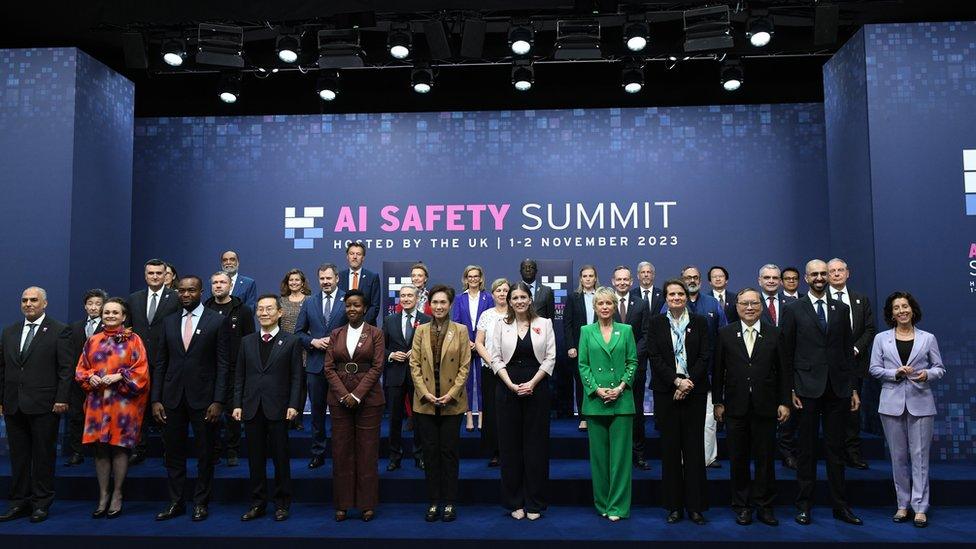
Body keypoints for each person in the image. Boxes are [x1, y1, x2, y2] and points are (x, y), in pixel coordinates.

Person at [780, 259, 862, 526]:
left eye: (823, 273)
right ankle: (804, 505)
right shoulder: (793, 309)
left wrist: (851, 388)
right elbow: (786, 352)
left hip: (838, 389)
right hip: (805, 388)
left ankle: (841, 506)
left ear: (829, 276)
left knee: (835, 450)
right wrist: (789, 388)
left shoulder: (841, 309)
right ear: (806, 278)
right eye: (814, 274)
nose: (819, 277)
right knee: (806, 450)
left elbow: (847, 352)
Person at [152, 276, 231, 522]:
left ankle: (200, 502)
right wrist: (156, 399)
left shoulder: (217, 321)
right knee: (173, 453)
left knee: (205, 454)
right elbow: (161, 363)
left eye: (191, 290)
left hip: (205, 400)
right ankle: (176, 502)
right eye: (182, 290)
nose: (186, 294)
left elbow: (223, 364)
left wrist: (219, 400)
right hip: (172, 398)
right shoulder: (168, 321)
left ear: (200, 292)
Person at [713, 288, 792, 527]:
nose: (749, 308)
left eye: (754, 304)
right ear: (736, 307)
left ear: (761, 306)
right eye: (744, 303)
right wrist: (718, 401)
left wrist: (784, 401)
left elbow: (784, 371)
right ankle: (742, 506)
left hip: (766, 407)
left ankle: (765, 506)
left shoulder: (775, 333)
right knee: (738, 460)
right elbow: (718, 371)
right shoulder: (725, 333)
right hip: (735, 407)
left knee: (765, 459)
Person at [869, 291, 944, 528]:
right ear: (891, 313)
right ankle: (902, 505)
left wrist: (926, 375)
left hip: (921, 403)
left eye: (905, 306)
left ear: (912, 309)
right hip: (891, 404)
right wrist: (894, 373)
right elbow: (874, 369)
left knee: (920, 458)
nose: (901, 311)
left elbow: (939, 368)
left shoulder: (928, 338)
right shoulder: (881, 338)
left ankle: (920, 507)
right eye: (896, 308)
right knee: (898, 458)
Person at [0, 287, 72, 523]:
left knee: (43, 456)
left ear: (45, 303)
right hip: (13, 405)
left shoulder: (59, 330)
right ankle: (19, 502)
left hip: (45, 405)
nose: (28, 304)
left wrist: (62, 398)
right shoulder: (9, 332)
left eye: (33, 300)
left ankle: (41, 503)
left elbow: (65, 369)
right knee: (19, 458)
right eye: (24, 300)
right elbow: (2, 369)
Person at [75, 297, 150, 519]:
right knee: (99, 448)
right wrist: (92, 378)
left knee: (119, 447)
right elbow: (81, 369)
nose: (110, 316)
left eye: (115, 313)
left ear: (123, 316)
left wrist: (119, 376)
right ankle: (103, 495)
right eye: (106, 312)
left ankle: (117, 494)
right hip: (98, 402)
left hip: (123, 403)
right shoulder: (93, 340)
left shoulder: (133, 340)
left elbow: (142, 371)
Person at [233, 294, 304, 522]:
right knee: (255, 459)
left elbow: (296, 377)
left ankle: (282, 504)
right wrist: (237, 404)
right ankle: (258, 503)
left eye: (269, 309)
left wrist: (294, 404)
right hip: (252, 408)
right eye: (260, 309)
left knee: (281, 458)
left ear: (279, 313)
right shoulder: (247, 341)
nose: (264, 313)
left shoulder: (291, 341)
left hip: (279, 408)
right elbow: (239, 376)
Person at [490, 281, 556, 520]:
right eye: (514, 298)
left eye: (523, 297)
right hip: (507, 387)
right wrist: (510, 384)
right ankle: (514, 502)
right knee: (510, 448)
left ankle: (535, 502)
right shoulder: (500, 325)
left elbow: (550, 359)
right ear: (509, 301)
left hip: (536, 387)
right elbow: (495, 358)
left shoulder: (545, 324)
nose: (519, 301)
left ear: (530, 300)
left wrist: (532, 384)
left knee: (536, 447)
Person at [647, 279, 711, 525]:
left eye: (680, 294)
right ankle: (673, 507)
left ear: (686, 297)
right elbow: (655, 357)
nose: (676, 297)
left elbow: (705, 355)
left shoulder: (700, 322)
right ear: (665, 298)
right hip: (666, 393)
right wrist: (676, 382)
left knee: (694, 451)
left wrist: (687, 382)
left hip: (694, 392)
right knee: (670, 451)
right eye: (671, 294)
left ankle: (696, 507)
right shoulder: (656, 323)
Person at [409, 284, 471, 522]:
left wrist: (452, 393)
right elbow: (414, 364)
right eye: (435, 302)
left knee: (449, 453)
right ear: (429, 304)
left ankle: (450, 502)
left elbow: (465, 366)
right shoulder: (421, 330)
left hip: (451, 402)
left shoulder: (461, 330)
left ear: (450, 304)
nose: (438, 306)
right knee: (430, 454)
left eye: (443, 302)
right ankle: (434, 501)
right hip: (425, 402)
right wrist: (424, 392)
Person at [324, 290, 386, 522]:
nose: (352, 309)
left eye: (357, 305)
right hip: (340, 401)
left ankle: (366, 504)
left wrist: (357, 395)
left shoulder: (376, 334)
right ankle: (342, 504)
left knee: (367, 453)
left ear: (365, 308)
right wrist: (343, 394)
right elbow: (329, 368)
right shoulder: (336, 333)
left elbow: (377, 367)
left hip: (368, 401)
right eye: (348, 305)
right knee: (341, 453)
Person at [577, 287, 638, 521]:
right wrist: (596, 389)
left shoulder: (626, 330)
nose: (604, 307)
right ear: (594, 307)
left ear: (614, 306)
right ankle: (602, 503)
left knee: (621, 460)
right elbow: (583, 365)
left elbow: (632, 361)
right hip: (596, 401)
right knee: (599, 459)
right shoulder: (586, 331)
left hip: (621, 401)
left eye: (608, 303)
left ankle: (618, 507)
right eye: (600, 303)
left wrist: (621, 387)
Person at [126, 258, 181, 465]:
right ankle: (139, 449)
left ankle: (170, 451)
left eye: (159, 273)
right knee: (139, 408)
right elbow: (128, 331)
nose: (155, 276)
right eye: (151, 273)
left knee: (165, 408)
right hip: (138, 363)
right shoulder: (134, 299)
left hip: (166, 361)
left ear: (166, 275)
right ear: (145, 275)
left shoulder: (175, 298)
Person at [294, 263, 347, 469]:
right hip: (316, 366)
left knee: (341, 413)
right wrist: (313, 342)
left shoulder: (347, 300)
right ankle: (318, 452)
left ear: (337, 279)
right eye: (322, 279)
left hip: (342, 367)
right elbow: (298, 333)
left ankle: (340, 453)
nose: (325, 282)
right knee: (317, 413)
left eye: (329, 278)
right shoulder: (309, 302)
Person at [826, 258, 876, 470]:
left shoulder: (860, 299)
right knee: (830, 412)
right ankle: (833, 454)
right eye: (832, 271)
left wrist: (855, 349)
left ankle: (852, 454)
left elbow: (869, 329)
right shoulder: (818, 300)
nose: (836, 274)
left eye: (840, 270)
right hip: (827, 365)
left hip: (854, 364)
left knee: (852, 412)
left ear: (848, 273)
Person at [205, 271, 256, 467]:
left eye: (222, 282)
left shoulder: (242, 310)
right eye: (215, 282)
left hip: (235, 368)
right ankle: (215, 450)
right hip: (211, 369)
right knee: (211, 413)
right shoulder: (205, 308)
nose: (218, 285)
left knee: (232, 413)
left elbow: (249, 339)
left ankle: (232, 449)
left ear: (229, 286)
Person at [680, 265, 727, 470]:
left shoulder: (712, 303)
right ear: (683, 279)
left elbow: (723, 334)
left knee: (709, 420)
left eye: (695, 277)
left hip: (708, 372)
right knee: (683, 420)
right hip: (680, 374)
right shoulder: (672, 302)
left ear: (700, 280)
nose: (692, 280)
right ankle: (684, 457)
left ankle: (709, 458)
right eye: (688, 277)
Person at [382, 284, 429, 471]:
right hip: (395, 375)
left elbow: (431, 347)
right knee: (394, 419)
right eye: (403, 296)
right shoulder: (389, 320)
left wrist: (417, 352)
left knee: (419, 418)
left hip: (418, 376)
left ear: (417, 299)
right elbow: (381, 348)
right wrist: (391, 355)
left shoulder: (426, 320)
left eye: (410, 295)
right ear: (399, 299)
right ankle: (394, 456)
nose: (407, 298)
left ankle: (420, 456)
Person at [611, 266, 650, 470]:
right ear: (613, 281)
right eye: (619, 280)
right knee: (615, 412)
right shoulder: (606, 302)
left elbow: (645, 334)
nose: (622, 283)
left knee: (636, 412)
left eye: (626, 279)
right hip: (610, 368)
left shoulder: (642, 304)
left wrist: (632, 356)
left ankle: (639, 455)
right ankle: (619, 455)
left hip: (636, 367)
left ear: (631, 282)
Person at [64, 288, 108, 466]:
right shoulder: (74, 327)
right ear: (85, 306)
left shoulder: (109, 328)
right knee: (76, 417)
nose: (93, 307)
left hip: (100, 381)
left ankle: (99, 452)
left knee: (99, 416)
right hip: (78, 380)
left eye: (98, 304)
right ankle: (76, 451)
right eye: (90, 303)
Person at [451, 265, 492, 432]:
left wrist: (480, 342)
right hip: (465, 345)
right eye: (470, 276)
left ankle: (482, 415)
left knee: (483, 382)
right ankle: (468, 415)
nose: (473, 279)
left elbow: (491, 320)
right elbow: (455, 322)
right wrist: (467, 340)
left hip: (484, 345)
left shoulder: (488, 297)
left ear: (481, 278)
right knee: (466, 383)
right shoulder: (460, 298)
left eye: (476, 276)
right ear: (465, 279)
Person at [474, 278, 510, 467]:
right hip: (490, 369)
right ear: (493, 294)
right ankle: (495, 451)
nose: (502, 293)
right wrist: (492, 362)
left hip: (511, 370)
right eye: (498, 290)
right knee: (492, 411)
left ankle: (511, 450)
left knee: (510, 411)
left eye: (505, 290)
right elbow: (479, 342)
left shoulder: (515, 313)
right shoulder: (486, 315)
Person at [565, 265, 599, 431]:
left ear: (595, 278)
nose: (587, 279)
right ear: (580, 279)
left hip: (599, 345)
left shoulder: (602, 295)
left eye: (590, 276)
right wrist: (571, 346)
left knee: (599, 378)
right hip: (579, 347)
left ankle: (597, 413)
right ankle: (583, 416)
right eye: (584, 276)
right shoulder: (574, 297)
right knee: (581, 381)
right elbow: (567, 324)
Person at [279, 268, 311, 430]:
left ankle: (297, 420)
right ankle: (284, 417)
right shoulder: (281, 301)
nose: (294, 283)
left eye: (297, 280)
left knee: (301, 384)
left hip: (303, 348)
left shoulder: (310, 301)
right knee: (285, 383)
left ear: (302, 282)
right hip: (284, 347)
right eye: (291, 280)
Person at [338, 242, 382, 325]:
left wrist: (362, 325)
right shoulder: (339, 277)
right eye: (351, 254)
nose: (355, 257)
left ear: (363, 257)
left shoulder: (372, 277)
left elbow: (374, 306)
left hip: (366, 327)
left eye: (358, 254)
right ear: (347, 256)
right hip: (342, 326)